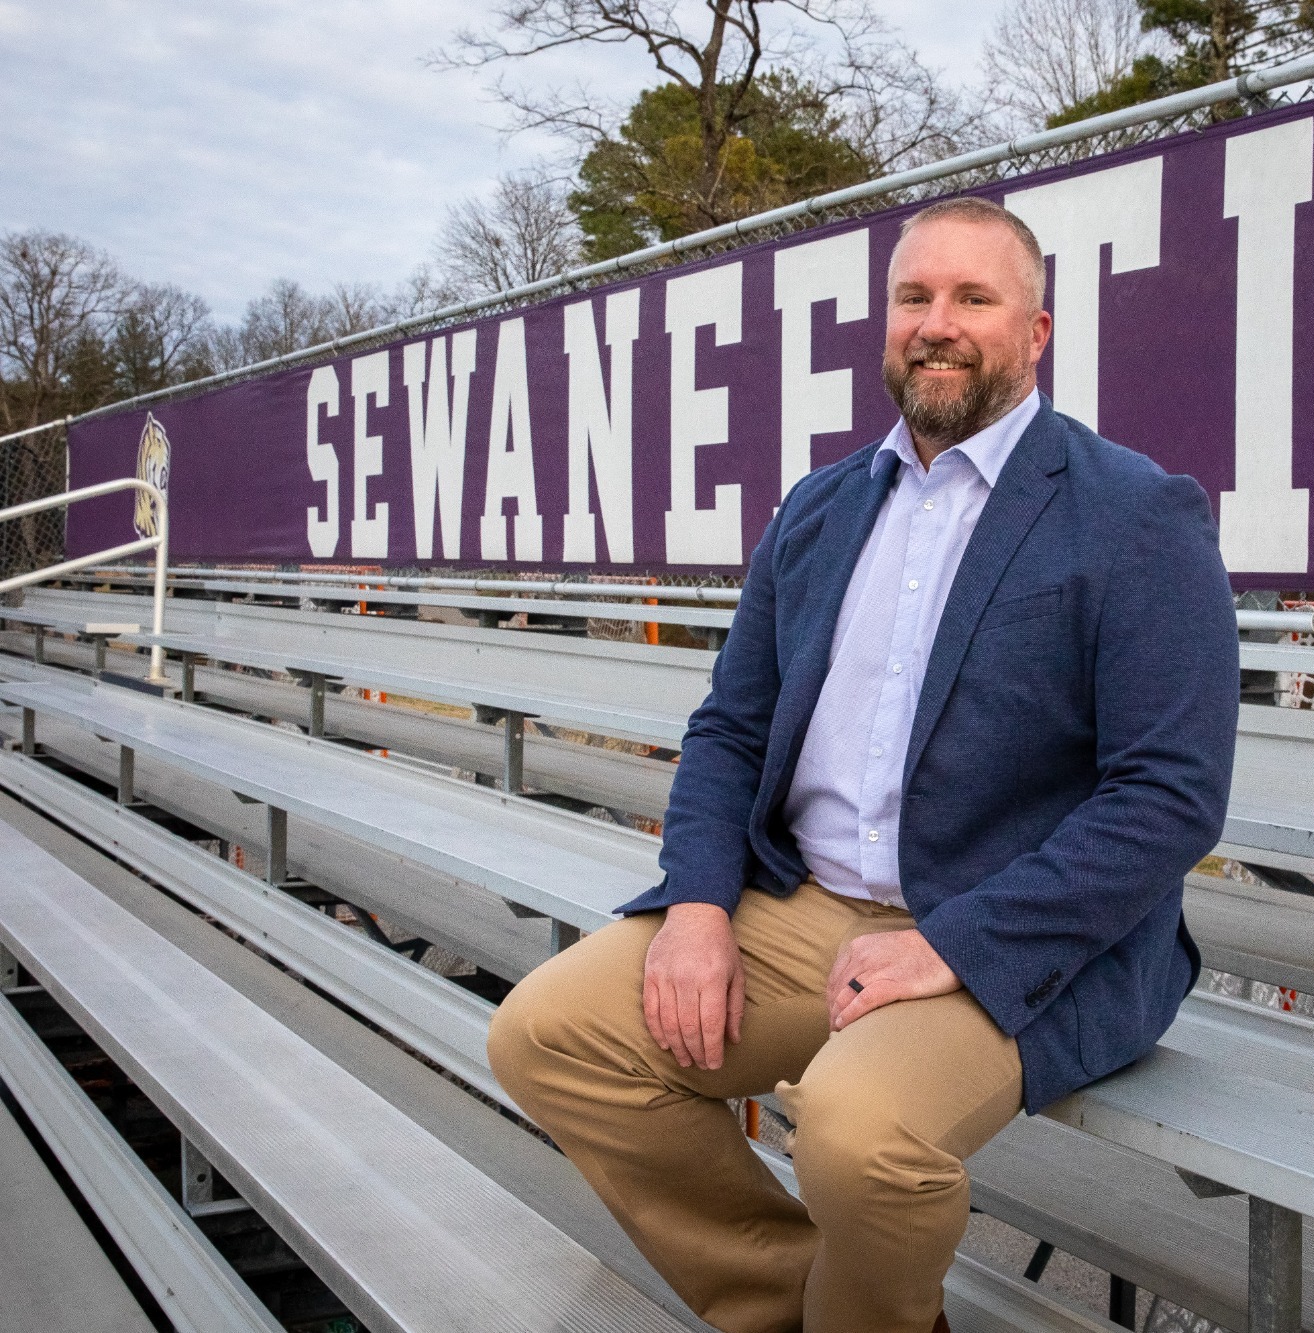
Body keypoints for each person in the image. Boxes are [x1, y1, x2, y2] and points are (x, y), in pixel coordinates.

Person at [487, 196, 1240, 1333]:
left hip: (1014, 933)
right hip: (803, 904)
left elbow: (1169, 796)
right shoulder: (820, 507)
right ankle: (789, 1311)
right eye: (912, 297)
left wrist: (955, 942)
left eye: (973, 298)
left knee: (853, 1129)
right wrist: (695, 901)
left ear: (1034, 333)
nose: (937, 323)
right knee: (546, 1033)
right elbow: (729, 730)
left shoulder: (1135, 514)